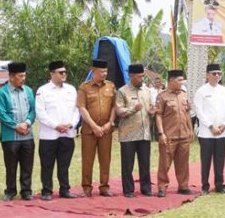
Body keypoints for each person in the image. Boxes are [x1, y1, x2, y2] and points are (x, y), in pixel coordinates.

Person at [35, 61, 80, 200]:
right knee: (47, 165)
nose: (64, 74)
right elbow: (40, 113)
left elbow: (76, 110)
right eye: (61, 72)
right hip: (49, 135)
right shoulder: (43, 91)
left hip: (67, 133)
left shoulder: (71, 89)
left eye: (65, 72)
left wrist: (72, 124)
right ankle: (47, 191)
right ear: (52, 74)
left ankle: (65, 189)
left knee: (64, 165)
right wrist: (56, 126)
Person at [0, 62, 36, 201]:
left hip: (27, 135)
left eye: (24, 75)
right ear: (11, 76)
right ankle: (10, 191)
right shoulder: (2, 92)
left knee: (27, 165)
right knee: (11, 166)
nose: (23, 78)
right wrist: (16, 126)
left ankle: (26, 191)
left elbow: (32, 110)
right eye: (20, 76)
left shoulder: (29, 91)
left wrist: (27, 123)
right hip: (10, 136)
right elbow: (2, 114)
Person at [77, 59, 116, 197]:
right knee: (88, 160)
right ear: (93, 71)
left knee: (105, 159)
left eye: (106, 71)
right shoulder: (85, 87)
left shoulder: (111, 86)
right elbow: (82, 107)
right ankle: (86, 188)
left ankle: (104, 187)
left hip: (106, 130)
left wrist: (109, 123)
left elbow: (114, 107)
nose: (104, 74)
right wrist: (94, 126)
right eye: (101, 71)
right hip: (89, 131)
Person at [116, 64, 156, 198]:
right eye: (139, 77)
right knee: (128, 164)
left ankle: (146, 188)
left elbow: (150, 107)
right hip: (128, 134)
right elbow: (119, 111)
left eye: (143, 76)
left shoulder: (147, 90)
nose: (142, 79)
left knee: (145, 162)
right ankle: (128, 190)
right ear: (131, 76)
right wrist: (133, 109)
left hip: (144, 133)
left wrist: (151, 111)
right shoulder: (122, 91)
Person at [194, 63, 225, 194]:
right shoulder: (201, 91)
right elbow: (199, 112)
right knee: (206, 160)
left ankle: (219, 185)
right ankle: (205, 186)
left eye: (219, 73)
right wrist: (211, 126)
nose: (217, 76)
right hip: (206, 133)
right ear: (207, 75)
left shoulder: (224, 90)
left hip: (221, 132)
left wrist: (224, 125)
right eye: (214, 73)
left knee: (220, 160)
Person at [155, 69, 194, 197]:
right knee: (165, 163)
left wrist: (190, 130)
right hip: (169, 136)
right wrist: (161, 133)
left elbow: (187, 113)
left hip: (183, 135)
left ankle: (183, 186)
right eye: (179, 80)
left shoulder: (184, 95)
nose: (182, 82)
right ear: (171, 80)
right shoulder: (162, 96)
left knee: (183, 163)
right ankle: (162, 187)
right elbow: (158, 115)